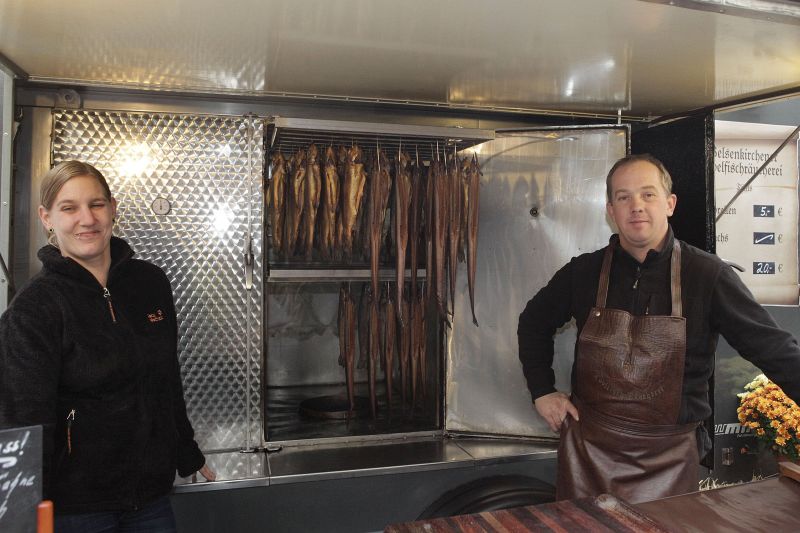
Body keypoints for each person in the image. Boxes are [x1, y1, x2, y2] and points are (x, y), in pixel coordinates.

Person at [517, 153, 800, 504]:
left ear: (669, 204)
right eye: (624, 197)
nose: (636, 206)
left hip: (670, 458)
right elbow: (533, 322)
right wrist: (542, 390)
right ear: (610, 210)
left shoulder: (707, 275)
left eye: (648, 194)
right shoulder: (582, 272)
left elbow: (772, 348)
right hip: (588, 453)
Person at [0, 160, 216, 532]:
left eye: (96, 204)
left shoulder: (149, 283)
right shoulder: (35, 308)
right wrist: (22, 515)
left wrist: (186, 451)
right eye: (69, 208)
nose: (87, 219)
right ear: (47, 217)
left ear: (113, 208)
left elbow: (166, 379)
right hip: (77, 507)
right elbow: (22, 420)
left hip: (151, 497)